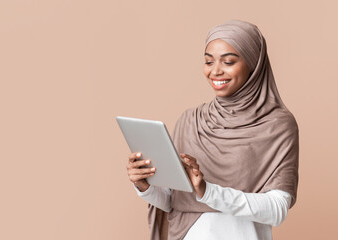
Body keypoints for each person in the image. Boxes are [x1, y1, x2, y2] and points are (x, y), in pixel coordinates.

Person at [126, 20, 298, 240]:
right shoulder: (190, 121)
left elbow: (277, 209)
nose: (215, 71)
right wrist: (144, 185)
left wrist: (208, 191)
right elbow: (173, 201)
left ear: (253, 64)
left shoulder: (277, 125)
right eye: (208, 61)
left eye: (228, 62)